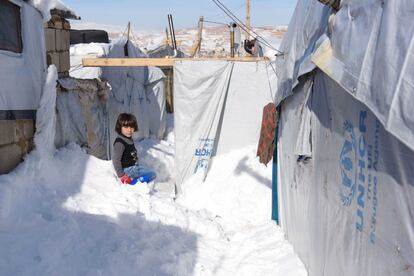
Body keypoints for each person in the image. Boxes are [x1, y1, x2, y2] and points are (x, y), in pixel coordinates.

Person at [112, 113, 156, 184]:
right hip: (128, 170)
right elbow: (116, 159)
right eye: (126, 127)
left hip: (133, 168)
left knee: (150, 173)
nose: (129, 130)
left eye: (131, 127)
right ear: (120, 127)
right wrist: (121, 175)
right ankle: (135, 183)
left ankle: (135, 182)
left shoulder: (128, 139)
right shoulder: (120, 143)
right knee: (152, 174)